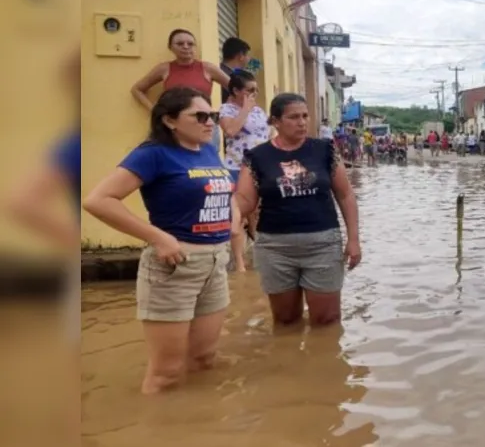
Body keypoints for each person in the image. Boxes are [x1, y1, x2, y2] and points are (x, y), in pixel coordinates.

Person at [83, 87, 233, 394]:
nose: (210, 123)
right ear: (169, 120)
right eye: (200, 116)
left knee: (205, 360)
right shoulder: (152, 154)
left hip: (215, 263)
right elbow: (98, 200)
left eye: (213, 116)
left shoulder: (207, 148)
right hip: (175, 266)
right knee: (167, 374)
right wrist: (158, 237)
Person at [233, 93, 361, 326]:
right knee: (285, 320)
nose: (302, 122)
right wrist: (228, 210)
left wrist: (353, 239)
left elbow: (345, 194)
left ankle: (324, 361)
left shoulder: (325, 150)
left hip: (323, 244)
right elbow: (245, 199)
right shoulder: (257, 157)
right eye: (293, 117)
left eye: (305, 116)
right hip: (274, 248)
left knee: (327, 320)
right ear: (275, 122)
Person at [131, 29, 231, 149]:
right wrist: (154, 110)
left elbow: (236, 89)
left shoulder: (208, 68)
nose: (185, 47)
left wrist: (228, 112)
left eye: (190, 44)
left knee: (206, 163)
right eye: (180, 44)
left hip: (204, 123)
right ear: (170, 47)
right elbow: (137, 89)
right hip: (173, 125)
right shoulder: (164, 69)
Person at [219, 70, 268, 272]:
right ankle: (239, 264)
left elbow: (266, 134)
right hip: (236, 167)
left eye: (255, 90)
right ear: (236, 91)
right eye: (249, 90)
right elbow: (230, 131)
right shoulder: (226, 110)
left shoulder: (259, 111)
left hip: (260, 167)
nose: (253, 94)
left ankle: (259, 255)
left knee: (257, 212)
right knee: (237, 215)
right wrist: (245, 109)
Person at [219, 37, 252, 104]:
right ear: (241, 56)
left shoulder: (218, 70)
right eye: (248, 55)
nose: (249, 59)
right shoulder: (234, 78)